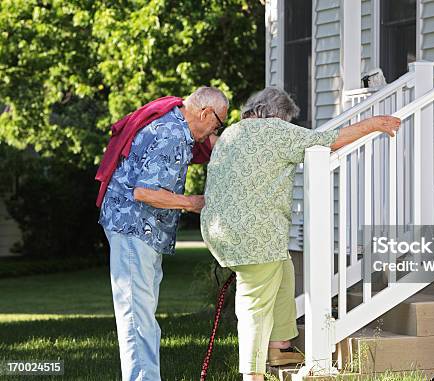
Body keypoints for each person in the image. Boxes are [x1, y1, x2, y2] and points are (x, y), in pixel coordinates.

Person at [200, 87, 401, 381]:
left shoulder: (232, 133)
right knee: (254, 304)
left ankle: (280, 345)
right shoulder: (276, 131)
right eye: (287, 120)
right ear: (279, 115)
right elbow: (327, 142)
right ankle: (252, 374)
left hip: (223, 232)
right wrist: (374, 124)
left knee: (283, 269)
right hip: (256, 237)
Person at [97, 86, 229, 381]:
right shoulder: (170, 135)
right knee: (136, 317)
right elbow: (144, 192)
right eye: (217, 124)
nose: (213, 132)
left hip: (142, 230)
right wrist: (192, 203)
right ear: (205, 113)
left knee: (141, 314)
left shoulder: (177, 128)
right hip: (133, 228)